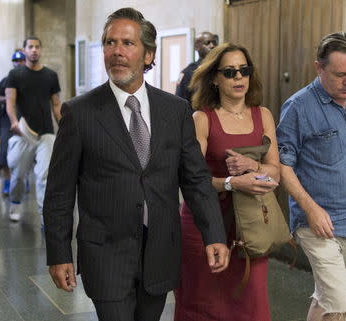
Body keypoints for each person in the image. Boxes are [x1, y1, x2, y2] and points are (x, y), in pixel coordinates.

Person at [43, 8, 229, 321]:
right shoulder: (79, 113)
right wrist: (58, 254)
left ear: (147, 54)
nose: (117, 51)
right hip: (105, 254)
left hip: (159, 251)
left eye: (127, 43)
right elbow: (59, 193)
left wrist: (214, 234)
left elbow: (196, 180)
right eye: (109, 43)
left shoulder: (175, 111)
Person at [174, 42, 280, 321]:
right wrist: (232, 183)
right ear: (214, 78)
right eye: (230, 72)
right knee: (202, 304)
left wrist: (253, 166)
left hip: (249, 228)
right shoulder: (202, 119)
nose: (238, 78)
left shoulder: (263, 115)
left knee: (251, 303)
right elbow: (191, 181)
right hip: (205, 226)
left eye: (244, 71)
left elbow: (275, 172)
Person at [276, 32, 346, 321]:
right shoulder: (299, 107)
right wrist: (311, 208)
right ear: (319, 68)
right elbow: (283, 166)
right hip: (317, 225)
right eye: (340, 74)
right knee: (338, 303)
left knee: (328, 301)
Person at [5, 36, 61, 222]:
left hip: (46, 133)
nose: (34, 50)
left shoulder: (51, 75)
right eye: (30, 47)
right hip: (24, 132)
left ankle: (44, 215)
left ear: (41, 50)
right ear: (24, 50)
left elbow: (56, 105)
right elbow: (10, 102)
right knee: (19, 175)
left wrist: (65, 126)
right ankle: (15, 202)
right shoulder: (15, 75)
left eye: (37, 46)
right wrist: (13, 121)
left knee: (44, 175)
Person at [0, 50, 26, 195]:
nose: (19, 63)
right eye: (16, 61)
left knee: (25, 154)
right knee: (4, 153)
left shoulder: (30, 79)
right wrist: (8, 98)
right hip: (7, 121)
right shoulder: (6, 80)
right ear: (13, 62)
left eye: (21, 61)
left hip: (25, 120)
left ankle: (23, 180)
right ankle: (7, 183)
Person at [175, 31, 218, 104]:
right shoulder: (188, 73)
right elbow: (179, 101)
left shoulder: (221, 68)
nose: (212, 46)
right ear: (197, 47)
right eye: (207, 43)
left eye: (214, 42)